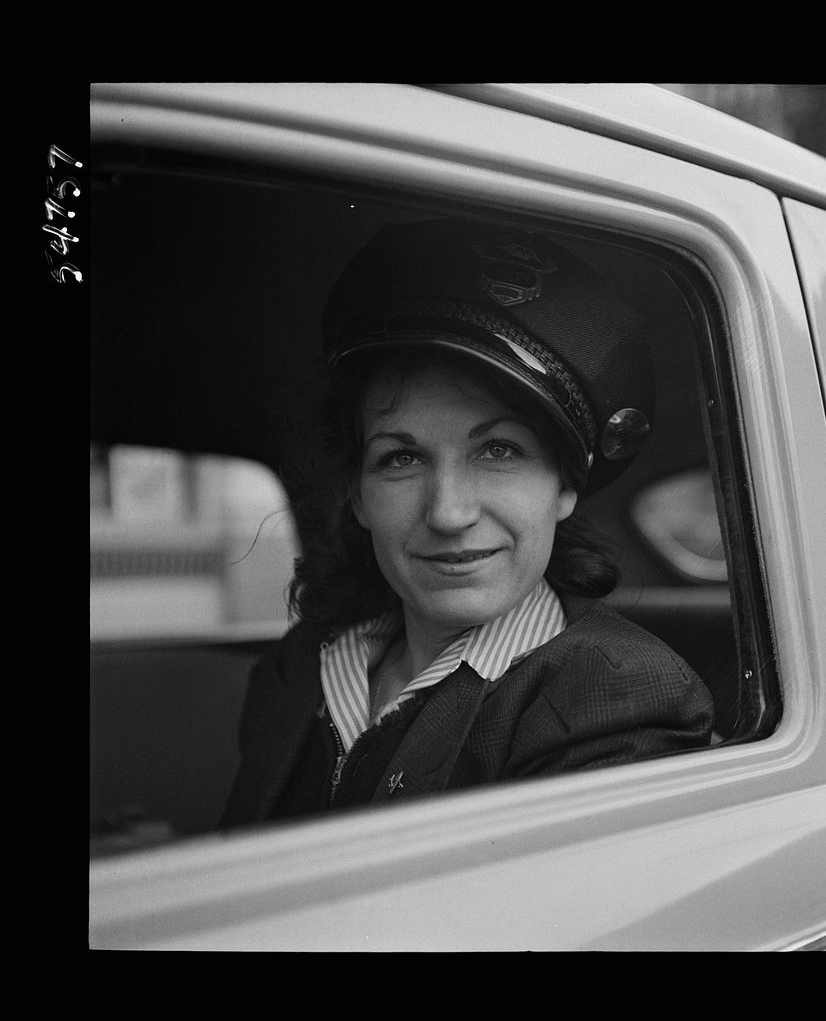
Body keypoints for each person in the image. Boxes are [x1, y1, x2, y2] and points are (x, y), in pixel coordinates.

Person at [221, 218, 713, 828]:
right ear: (357, 496)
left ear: (564, 486)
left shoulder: (620, 700)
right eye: (401, 458)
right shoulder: (301, 664)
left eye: (499, 450)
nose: (450, 513)